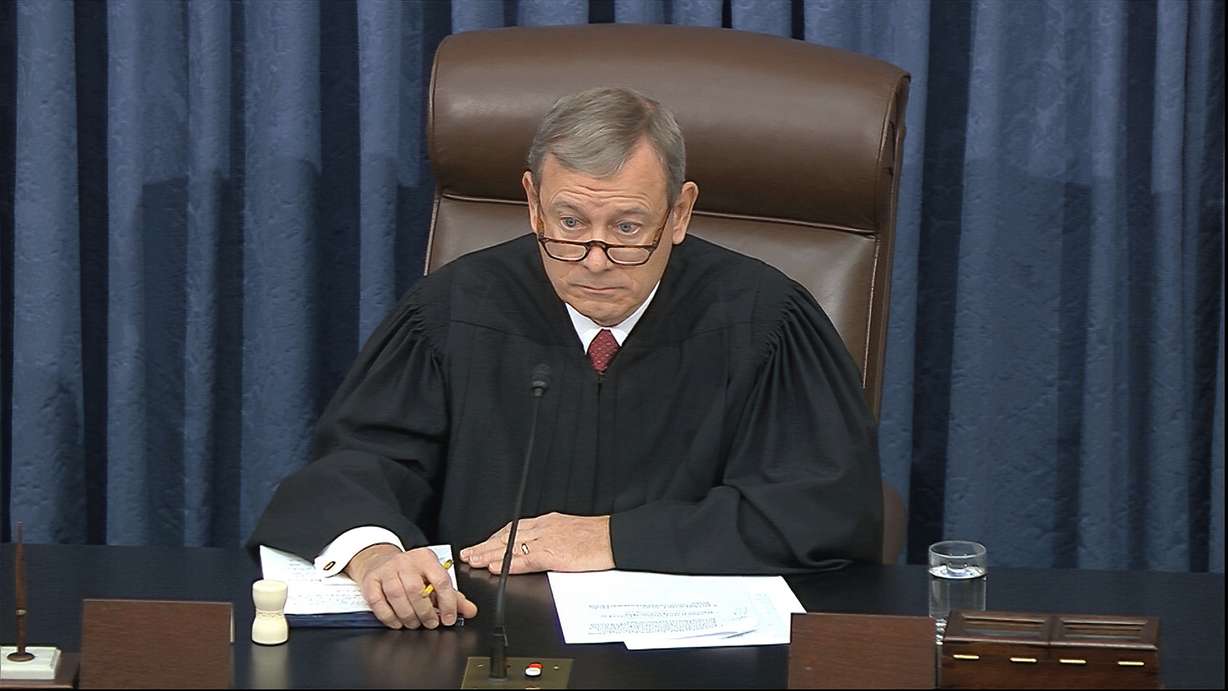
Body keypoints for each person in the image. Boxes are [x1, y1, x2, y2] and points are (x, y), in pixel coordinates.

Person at [248, 87, 882, 631]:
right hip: (478, 639)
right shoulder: (454, 309)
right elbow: (361, 462)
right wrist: (376, 553)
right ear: (532, 201)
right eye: (570, 222)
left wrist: (610, 538)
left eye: (628, 228)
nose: (595, 260)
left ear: (680, 212)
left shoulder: (763, 320)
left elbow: (822, 509)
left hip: (694, 657)